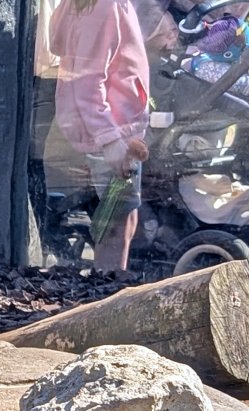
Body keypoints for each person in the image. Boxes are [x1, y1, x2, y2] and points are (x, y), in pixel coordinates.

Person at [50, 0, 153, 270]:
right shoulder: (107, 5)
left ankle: (109, 285)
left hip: (103, 128)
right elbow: (87, 82)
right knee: (118, 221)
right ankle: (109, 292)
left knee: (121, 216)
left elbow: (56, 43)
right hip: (114, 132)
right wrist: (110, 140)